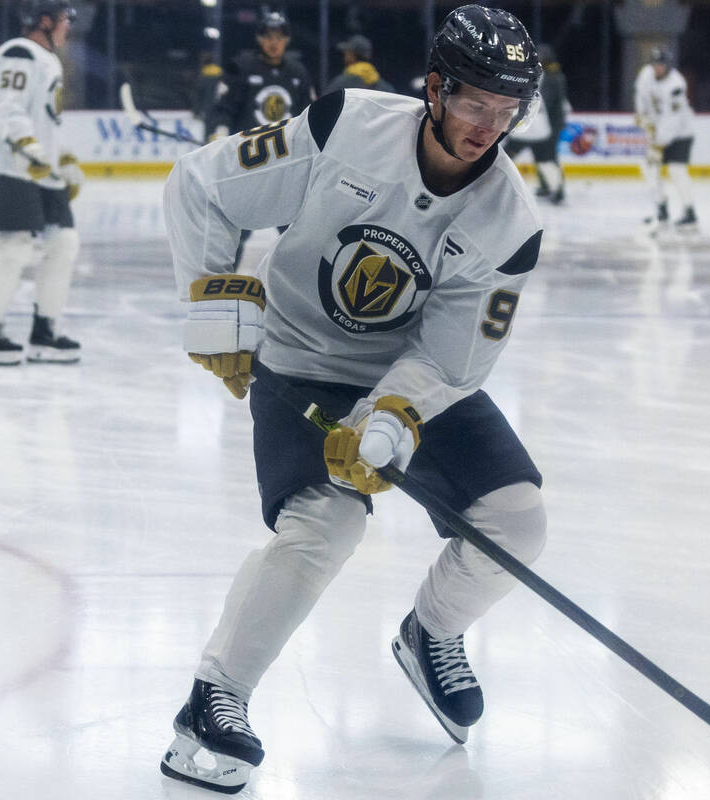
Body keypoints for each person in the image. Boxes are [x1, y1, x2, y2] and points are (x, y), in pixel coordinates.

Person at [159, 4, 547, 793]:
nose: (489, 126)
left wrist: (390, 420)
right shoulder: (346, 125)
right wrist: (214, 305)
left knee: (519, 519)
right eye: (476, 102)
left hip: (410, 369)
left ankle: (431, 631)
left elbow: (451, 356)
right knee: (325, 523)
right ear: (436, 88)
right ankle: (213, 700)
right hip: (301, 356)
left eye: (508, 111)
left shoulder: (512, 223)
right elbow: (201, 185)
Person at [0, 0, 84, 365]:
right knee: (14, 248)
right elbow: (7, 107)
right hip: (10, 164)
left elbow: (43, 117)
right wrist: (27, 146)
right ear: (45, 21)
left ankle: (44, 333)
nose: (69, 26)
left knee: (64, 242)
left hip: (38, 168)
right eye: (65, 19)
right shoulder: (18, 53)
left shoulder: (46, 59)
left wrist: (59, 157)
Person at [206, 10, 316, 268]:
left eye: (279, 37)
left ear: (287, 40)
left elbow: (310, 115)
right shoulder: (242, 67)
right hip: (249, 166)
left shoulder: (297, 72)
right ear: (259, 38)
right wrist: (219, 132)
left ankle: (300, 288)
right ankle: (222, 283)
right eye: (268, 36)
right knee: (237, 229)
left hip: (285, 167)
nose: (274, 42)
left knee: (294, 234)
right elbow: (222, 108)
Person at [634, 47, 697, 231]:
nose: (657, 68)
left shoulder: (676, 85)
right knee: (650, 169)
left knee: (677, 171)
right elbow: (641, 95)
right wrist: (642, 115)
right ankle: (661, 209)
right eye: (655, 64)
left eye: (661, 65)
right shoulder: (646, 74)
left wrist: (658, 143)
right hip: (658, 132)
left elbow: (673, 120)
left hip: (680, 134)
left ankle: (690, 211)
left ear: (668, 65)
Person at [504, 43, 568, 204]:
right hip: (534, 126)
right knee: (540, 157)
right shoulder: (540, 75)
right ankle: (549, 187)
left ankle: (556, 188)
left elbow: (545, 102)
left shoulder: (552, 77)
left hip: (545, 126)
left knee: (545, 158)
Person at [323, 34, 395, 95]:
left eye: (347, 52)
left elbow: (323, 105)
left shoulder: (340, 83)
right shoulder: (386, 87)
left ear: (352, 55)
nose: (344, 55)